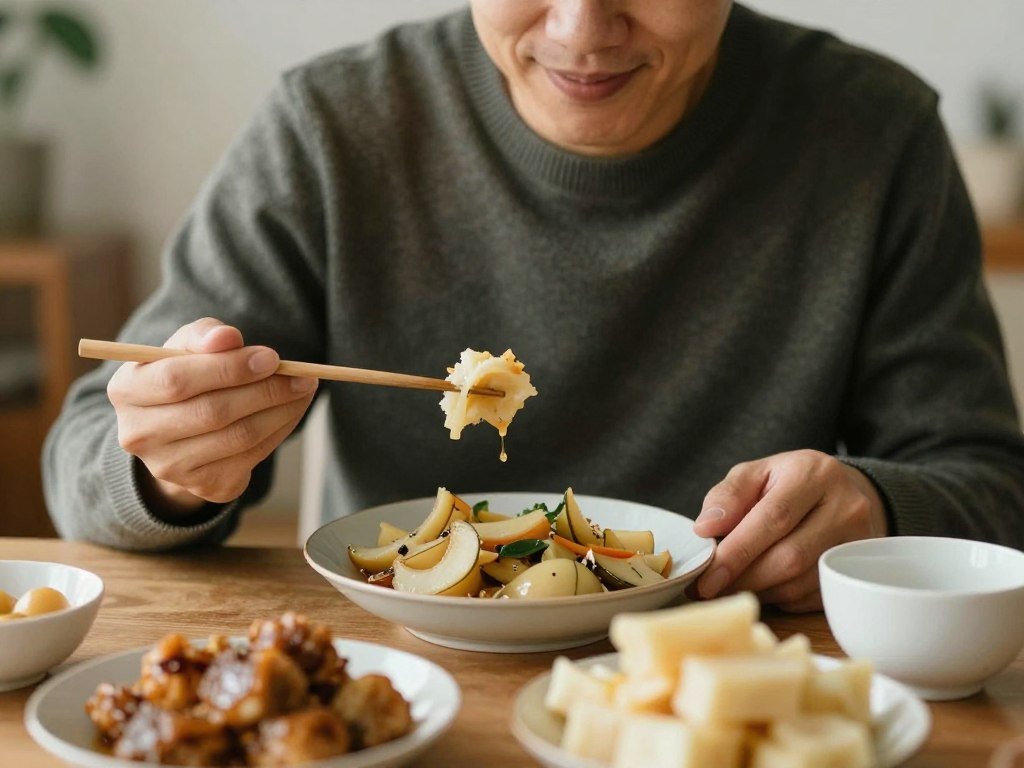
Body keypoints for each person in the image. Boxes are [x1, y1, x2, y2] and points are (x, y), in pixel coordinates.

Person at [43, 0, 1024, 612]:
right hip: (404, 680)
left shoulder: (873, 134)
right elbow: (84, 457)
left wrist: (884, 508)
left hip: (727, 686)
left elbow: (991, 488)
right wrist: (170, 468)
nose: (580, 31)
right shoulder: (334, 127)